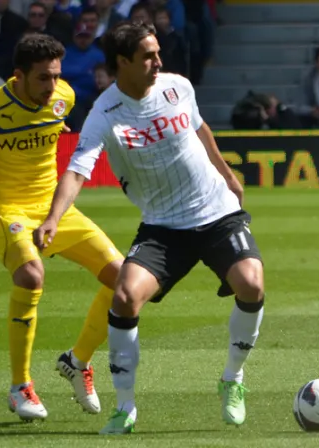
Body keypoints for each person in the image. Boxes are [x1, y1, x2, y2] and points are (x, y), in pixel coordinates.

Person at [35, 22, 266, 434]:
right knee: (124, 297)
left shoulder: (178, 86)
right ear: (122, 62)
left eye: (158, 52)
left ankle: (232, 378)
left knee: (252, 283)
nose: (158, 61)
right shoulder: (104, 113)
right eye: (148, 55)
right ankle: (125, 408)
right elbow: (76, 171)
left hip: (216, 211)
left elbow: (199, 127)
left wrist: (227, 173)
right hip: (163, 226)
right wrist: (52, 218)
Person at [0, 34, 125, 422]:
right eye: (43, 78)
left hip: (54, 209)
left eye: (56, 76)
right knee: (32, 275)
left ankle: (77, 360)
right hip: (5, 209)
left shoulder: (63, 96)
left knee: (124, 281)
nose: (52, 87)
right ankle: (20, 386)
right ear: (18, 76)